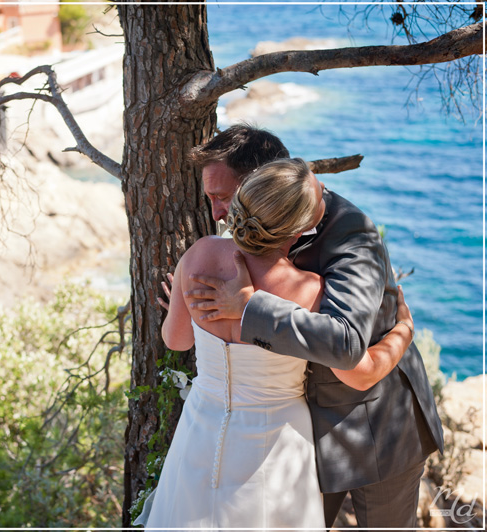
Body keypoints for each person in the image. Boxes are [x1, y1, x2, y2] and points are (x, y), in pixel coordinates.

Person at [179, 124, 443, 529]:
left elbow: (345, 343)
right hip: (290, 437)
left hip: (372, 428)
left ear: (265, 184)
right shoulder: (249, 229)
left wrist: (250, 308)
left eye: (223, 198)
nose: (218, 214)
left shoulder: (355, 239)